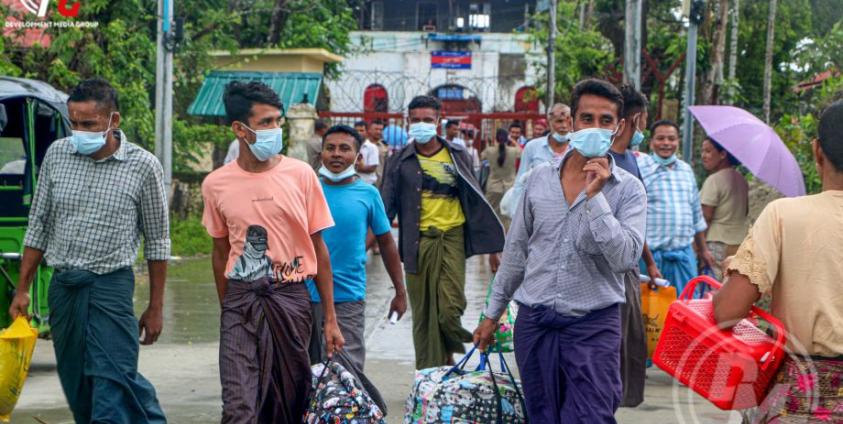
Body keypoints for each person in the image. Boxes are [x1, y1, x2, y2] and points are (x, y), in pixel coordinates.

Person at [474, 78, 647, 423]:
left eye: (605, 120)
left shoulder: (628, 190)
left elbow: (626, 259)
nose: (595, 127)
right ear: (572, 122)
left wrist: (596, 199)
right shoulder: (539, 179)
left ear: (618, 127)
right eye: (587, 118)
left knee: (592, 416)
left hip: (593, 327)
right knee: (542, 415)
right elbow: (516, 253)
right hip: (535, 324)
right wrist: (491, 315)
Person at [8, 78, 169, 423]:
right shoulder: (57, 155)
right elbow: (38, 225)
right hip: (64, 288)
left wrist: (156, 306)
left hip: (110, 287)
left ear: (114, 120)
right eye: (74, 123)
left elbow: (158, 241)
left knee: (114, 377)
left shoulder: (143, 166)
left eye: (89, 124)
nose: (79, 131)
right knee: (78, 384)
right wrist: (22, 289)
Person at [201, 81, 344, 423]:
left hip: (291, 299)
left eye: (277, 120)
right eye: (266, 122)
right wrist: (228, 309)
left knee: (288, 402)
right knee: (238, 406)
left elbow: (318, 248)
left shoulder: (301, 175)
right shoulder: (216, 184)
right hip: (241, 301)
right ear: (240, 129)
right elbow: (220, 252)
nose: (275, 128)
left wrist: (330, 318)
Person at [713, 100, 843, 423]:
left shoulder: (783, 215)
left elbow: (727, 312)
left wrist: (734, 271)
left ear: (817, 152)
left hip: (799, 402)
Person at [381, 95, 505, 369]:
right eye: (416, 120)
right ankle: (431, 370)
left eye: (428, 119)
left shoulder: (458, 155)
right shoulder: (398, 161)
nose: (421, 124)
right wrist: (362, 245)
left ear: (438, 121)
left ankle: (459, 344)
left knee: (449, 308)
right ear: (408, 122)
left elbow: (476, 202)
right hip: (416, 243)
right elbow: (384, 211)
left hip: (452, 239)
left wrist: (494, 250)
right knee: (424, 313)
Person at [308, 125, 408, 371]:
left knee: (346, 371)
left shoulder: (368, 194)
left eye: (345, 148)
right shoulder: (307, 190)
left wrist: (400, 291)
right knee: (305, 372)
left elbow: (386, 242)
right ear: (321, 153)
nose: (336, 154)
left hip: (348, 297)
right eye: (330, 148)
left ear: (358, 156)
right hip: (305, 297)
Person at [610, 84, 661, 408]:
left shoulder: (631, 160)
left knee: (632, 343)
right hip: (606, 269)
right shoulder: (605, 161)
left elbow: (635, 221)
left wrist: (650, 262)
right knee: (612, 344)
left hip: (630, 266)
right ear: (636, 118)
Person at [637, 119, 715, 293]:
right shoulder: (640, 168)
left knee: (686, 305)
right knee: (652, 308)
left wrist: (703, 250)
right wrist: (648, 261)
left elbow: (696, 215)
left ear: (678, 141)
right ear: (651, 142)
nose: (666, 143)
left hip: (683, 257)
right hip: (651, 258)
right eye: (660, 138)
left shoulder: (686, 170)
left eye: (671, 139)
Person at [699, 137, 749, 280]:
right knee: (729, 285)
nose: (703, 156)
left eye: (708, 151)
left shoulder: (714, 180)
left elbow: (706, 218)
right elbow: (744, 211)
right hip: (739, 243)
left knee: (712, 286)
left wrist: (700, 249)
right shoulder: (742, 180)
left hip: (717, 244)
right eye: (702, 151)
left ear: (722, 154)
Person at [517, 103, 573, 179]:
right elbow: (521, 180)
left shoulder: (579, 148)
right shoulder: (532, 147)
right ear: (549, 123)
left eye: (569, 122)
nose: (564, 126)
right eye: (559, 121)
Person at [481, 127, 521, 230]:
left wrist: (490, 144)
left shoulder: (489, 150)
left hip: (493, 187)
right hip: (509, 187)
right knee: (507, 215)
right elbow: (521, 151)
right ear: (507, 138)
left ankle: (492, 232)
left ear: (496, 138)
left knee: (491, 212)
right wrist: (513, 140)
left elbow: (481, 157)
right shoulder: (513, 151)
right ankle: (506, 234)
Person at [354, 120, 379, 185]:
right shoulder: (352, 147)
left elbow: (372, 168)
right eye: (356, 131)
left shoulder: (372, 147)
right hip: (354, 183)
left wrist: (357, 168)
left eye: (361, 130)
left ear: (367, 132)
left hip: (368, 183)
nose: (359, 133)